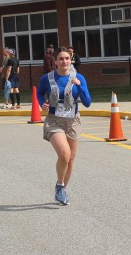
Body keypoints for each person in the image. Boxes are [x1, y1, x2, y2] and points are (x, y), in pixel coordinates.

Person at [37, 47, 92, 205]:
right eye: (61, 58)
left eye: (67, 58)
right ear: (55, 61)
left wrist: (80, 86)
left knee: (71, 159)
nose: (64, 61)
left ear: (71, 60)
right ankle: (60, 185)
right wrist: (42, 104)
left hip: (73, 120)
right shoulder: (47, 78)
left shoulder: (79, 77)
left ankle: (61, 190)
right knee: (64, 154)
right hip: (54, 120)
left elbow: (87, 103)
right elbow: (39, 93)